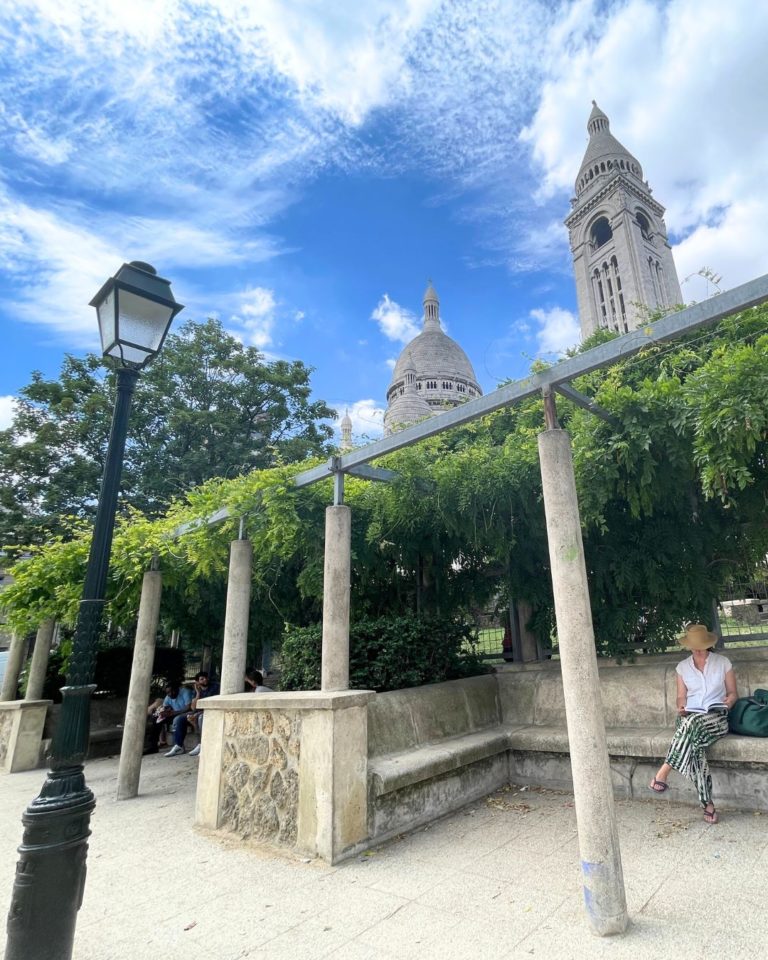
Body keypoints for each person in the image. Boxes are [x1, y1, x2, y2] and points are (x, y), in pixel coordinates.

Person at [649, 623, 737, 823]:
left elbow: (733, 693)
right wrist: (681, 706)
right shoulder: (682, 667)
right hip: (691, 716)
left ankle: (664, 770)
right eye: (694, 647)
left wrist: (729, 701)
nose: (698, 650)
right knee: (695, 746)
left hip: (716, 718)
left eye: (701, 646)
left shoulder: (723, 663)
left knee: (690, 726)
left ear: (708, 644)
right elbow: (681, 697)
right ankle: (708, 804)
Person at [158, 680, 195, 757]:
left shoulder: (185, 692)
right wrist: (163, 712)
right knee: (157, 719)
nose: (170, 694)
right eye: (168, 692)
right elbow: (165, 707)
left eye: (172, 691)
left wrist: (174, 713)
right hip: (177, 714)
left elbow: (188, 708)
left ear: (177, 689)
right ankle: (155, 744)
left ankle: (179, 746)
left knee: (177, 719)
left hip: (189, 712)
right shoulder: (168, 696)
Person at [187, 671, 219, 758]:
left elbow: (213, 704)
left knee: (200, 718)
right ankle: (199, 744)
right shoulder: (197, 691)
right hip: (199, 712)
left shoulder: (215, 687)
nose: (205, 680)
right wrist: (198, 693)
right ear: (197, 682)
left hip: (212, 711)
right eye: (202, 679)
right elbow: (193, 708)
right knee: (187, 718)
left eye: (206, 678)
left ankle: (203, 744)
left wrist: (197, 714)